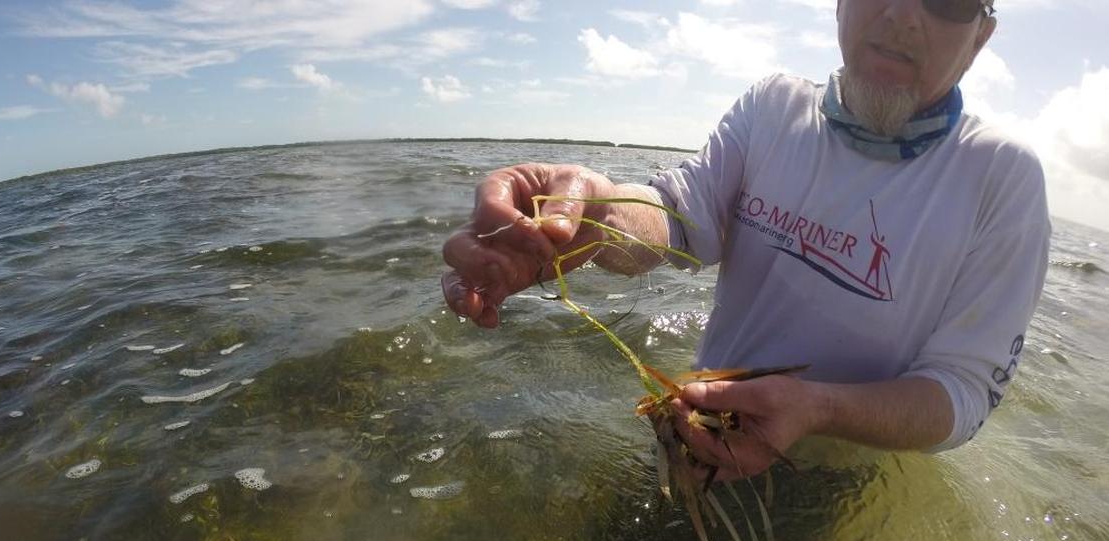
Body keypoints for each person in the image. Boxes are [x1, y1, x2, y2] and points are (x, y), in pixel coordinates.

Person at [440, 0, 1049, 482]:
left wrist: (818, 409)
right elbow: (679, 218)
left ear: (980, 37)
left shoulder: (1002, 176)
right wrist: (591, 216)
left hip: (834, 484)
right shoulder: (773, 108)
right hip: (692, 434)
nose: (901, 14)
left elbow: (963, 395)